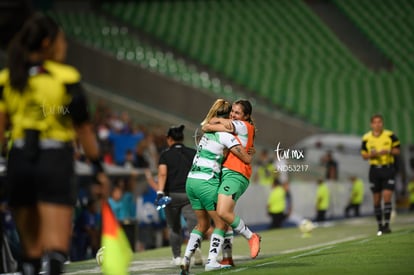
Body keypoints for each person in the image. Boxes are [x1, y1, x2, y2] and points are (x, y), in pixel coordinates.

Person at [0, 13, 108, 275]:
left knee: (30, 254)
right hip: (54, 161)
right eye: (62, 40)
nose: (65, 46)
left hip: (20, 161)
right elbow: (82, 128)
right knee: (55, 251)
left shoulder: (8, 78)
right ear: (47, 43)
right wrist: (97, 167)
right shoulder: (66, 76)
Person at [180, 99, 253, 274]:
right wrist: (248, 151)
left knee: (202, 224)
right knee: (222, 222)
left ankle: (186, 259)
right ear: (227, 116)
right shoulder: (227, 136)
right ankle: (213, 260)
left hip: (191, 181)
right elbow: (246, 158)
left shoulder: (206, 134)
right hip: (206, 182)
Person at [202, 99, 261, 266]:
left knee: (222, 212)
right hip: (227, 173)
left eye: (237, 113)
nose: (233, 115)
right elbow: (213, 122)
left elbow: (210, 125)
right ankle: (226, 256)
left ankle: (251, 236)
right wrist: (214, 122)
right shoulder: (240, 127)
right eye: (232, 111)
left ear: (246, 116)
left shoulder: (242, 126)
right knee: (224, 219)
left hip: (236, 174)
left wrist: (211, 125)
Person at [145, 125, 201, 266]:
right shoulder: (192, 153)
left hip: (172, 195)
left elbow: (162, 173)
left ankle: (177, 257)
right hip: (190, 193)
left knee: (174, 227)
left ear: (169, 139)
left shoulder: (165, 155)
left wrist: (159, 192)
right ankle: (196, 250)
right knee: (193, 224)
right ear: (182, 138)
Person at [361, 114, 400, 235]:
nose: (377, 124)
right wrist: (372, 155)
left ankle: (387, 226)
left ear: (382, 123)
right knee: (376, 199)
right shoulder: (366, 138)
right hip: (374, 170)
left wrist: (387, 151)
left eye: (380, 122)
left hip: (388, 168)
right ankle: (379, 226)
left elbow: (397, 150)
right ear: (371, 124)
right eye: (375, 122)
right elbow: (364, 155)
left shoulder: (390, 135)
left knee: (387, 196)